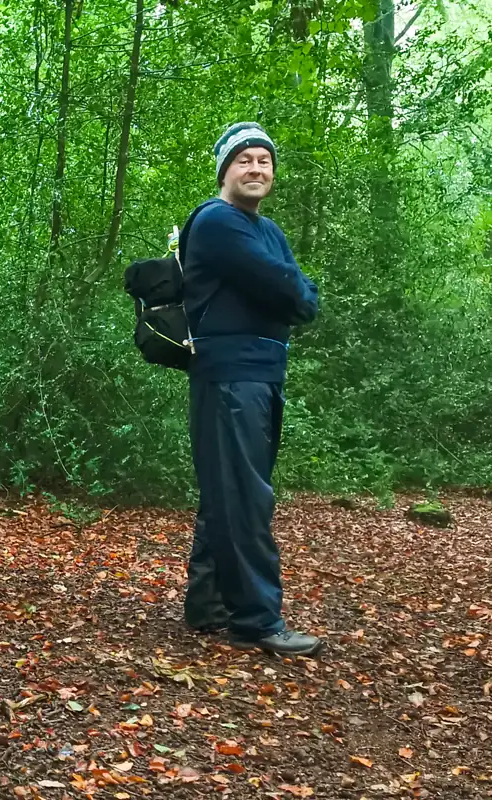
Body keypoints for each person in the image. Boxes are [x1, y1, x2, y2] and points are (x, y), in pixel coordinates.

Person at [181, 122, 322, 656]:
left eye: (264, 161)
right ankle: (257, 620)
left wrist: (293, 290)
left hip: (263, 375)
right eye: (245, 160)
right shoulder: (218, 221)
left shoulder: (269, 230)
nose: (257, 169)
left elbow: (303, 299)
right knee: (244, 496)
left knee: (230, 490)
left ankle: (208, 603)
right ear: (225, 169)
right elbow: (286, 286)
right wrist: (291, 290)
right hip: (231, 376)